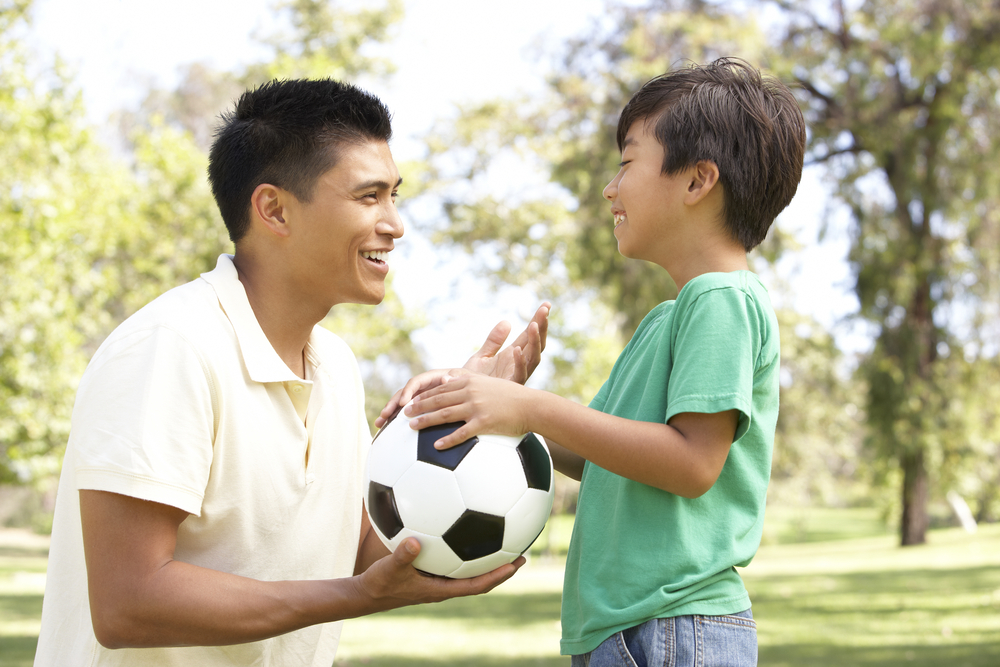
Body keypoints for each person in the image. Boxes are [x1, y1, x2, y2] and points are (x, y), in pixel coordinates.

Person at [34, 78, 549, 667]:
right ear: (275, 209)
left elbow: (364, 552)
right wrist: (354, 599)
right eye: (368, 196)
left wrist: (465, 419)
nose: (395, 223)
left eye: (394, 196)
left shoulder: (336, 366)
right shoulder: (169, 348)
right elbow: (129, 601)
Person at [380, 58, 806, 666]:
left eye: (628, 163)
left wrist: (532, 406)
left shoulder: (722, 300)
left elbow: (691, 464)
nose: (611, 187)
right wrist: (498, 407)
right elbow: (595, 457)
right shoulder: (669, 317)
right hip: (629, 629)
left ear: (696, 181)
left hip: (674, 626)